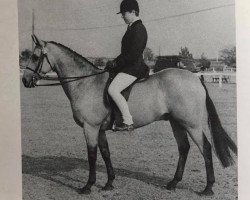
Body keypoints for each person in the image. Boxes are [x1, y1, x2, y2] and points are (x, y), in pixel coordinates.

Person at [106, 0, 149, 131]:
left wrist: (117, 63)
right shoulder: (132, 27)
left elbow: (133, 54)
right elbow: (125, 53)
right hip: (129, 66)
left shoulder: (139, 29)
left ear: (132, 12)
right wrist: (113, 62)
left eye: (124, 13)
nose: (122, 16)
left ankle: (128, 121)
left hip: (134, 68)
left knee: (112, 90)